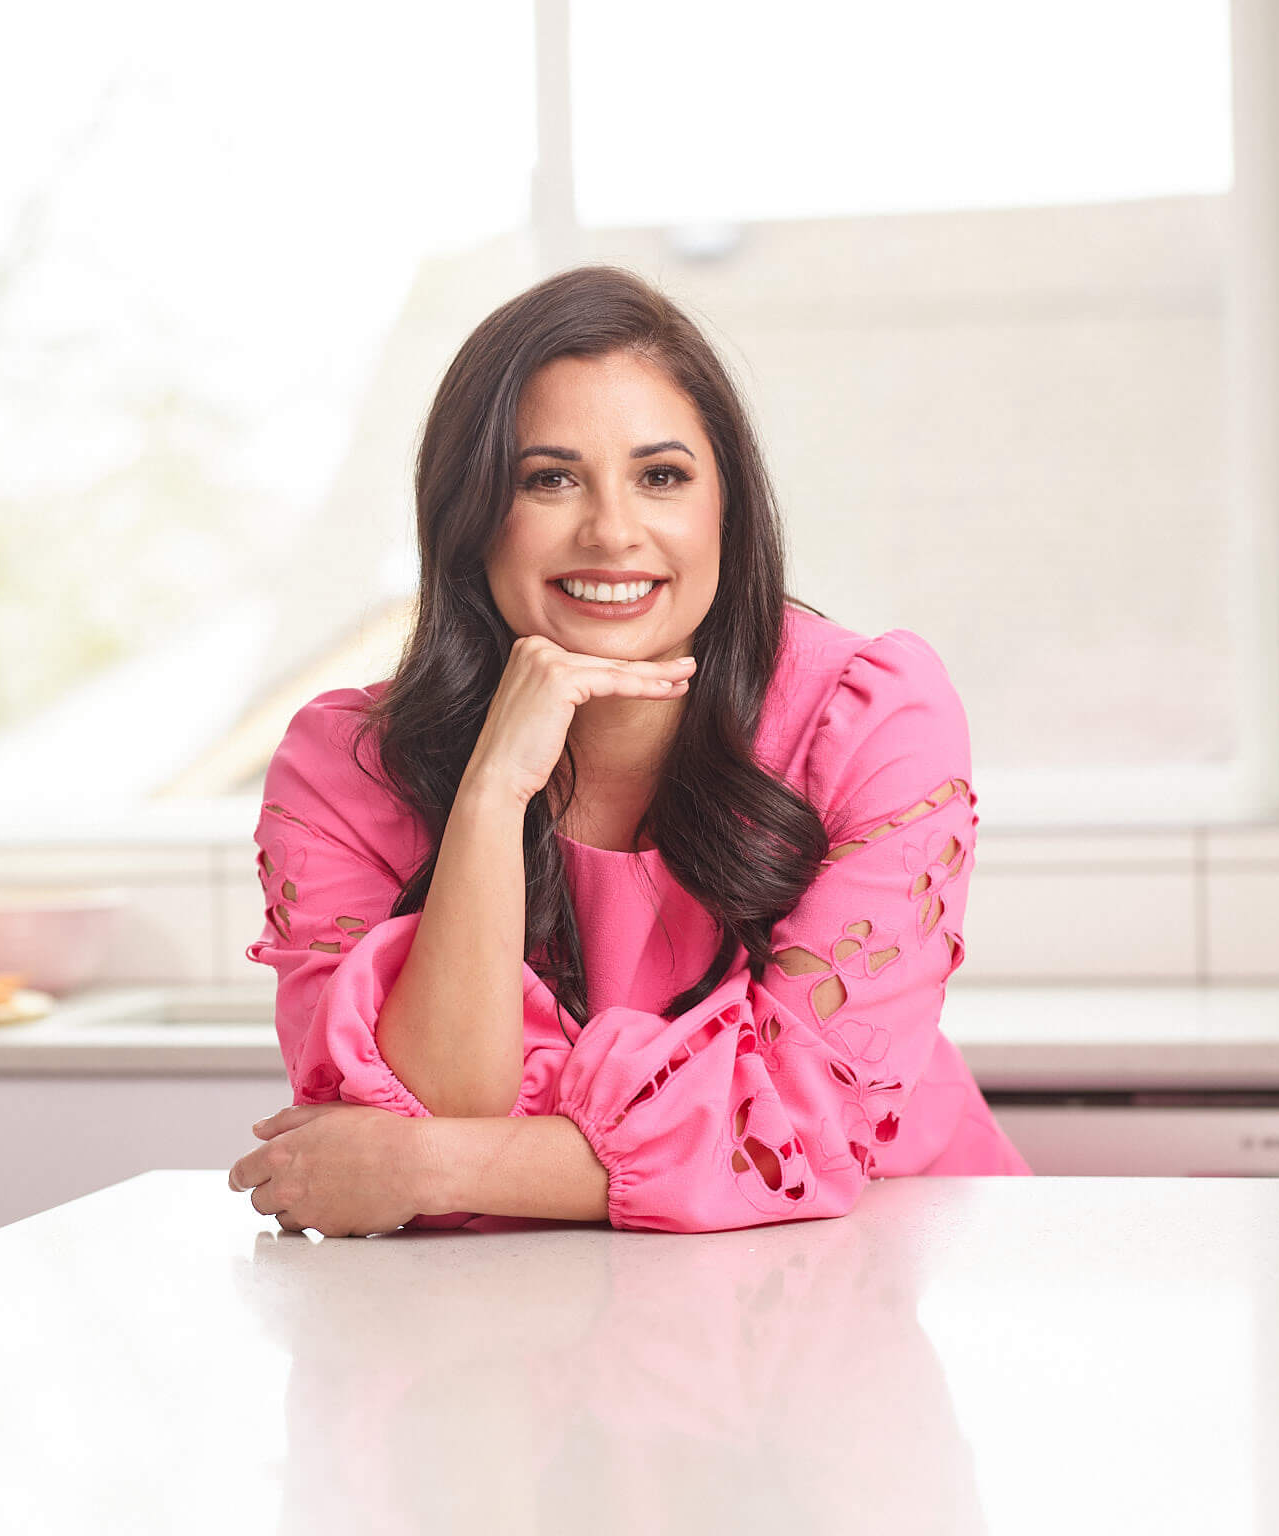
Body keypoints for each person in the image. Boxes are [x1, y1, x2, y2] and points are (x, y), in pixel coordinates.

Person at [227, 264, 1032, 1238]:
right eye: (549, 478)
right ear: (469, 513)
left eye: (660, 477)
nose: (611, 531)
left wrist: (430, 1164)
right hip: (507, 1330)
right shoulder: (343, 770)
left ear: (723, 509)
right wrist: (492, 792)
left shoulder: (867, 717)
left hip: (870, 1272)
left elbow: (799, 1138)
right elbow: (421, 1107)